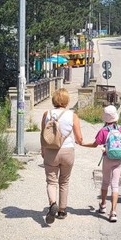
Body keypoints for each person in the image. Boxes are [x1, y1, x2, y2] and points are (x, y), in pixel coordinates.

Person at [81, 105, 121, 223]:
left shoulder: (103, 130)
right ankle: (113, 212)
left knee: (105, 182)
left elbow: (95, 144)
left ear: (105, 118)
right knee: (115, 185)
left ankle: (103, 205)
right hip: (118, 159)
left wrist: (82, 144)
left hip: (107, 158)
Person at [40, 88, 83, 224]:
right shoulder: (72, 116)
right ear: (67, 100)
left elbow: (43, 135)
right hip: (67, 151)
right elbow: (79, 138)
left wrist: (43, 150)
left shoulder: (47, 114)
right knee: (64, 181)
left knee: (51, 181)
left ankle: (53, 204)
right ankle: (62, 210)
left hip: (51, 151)